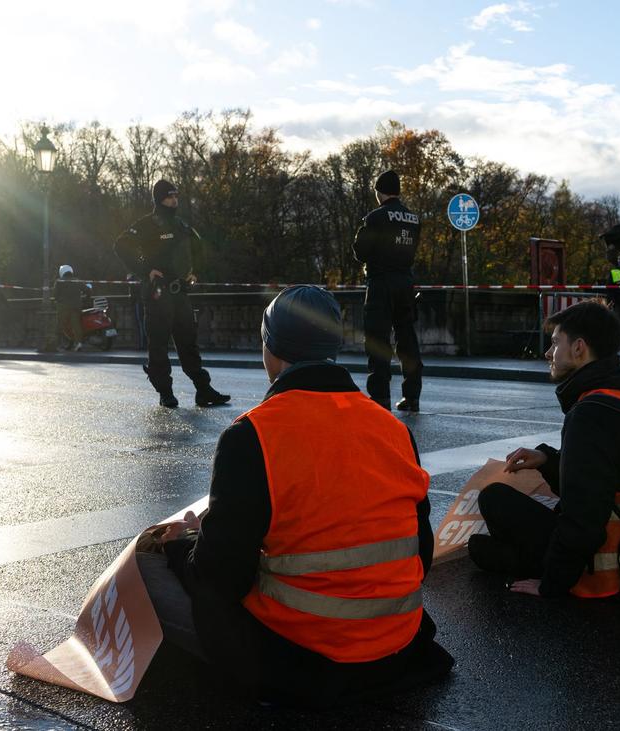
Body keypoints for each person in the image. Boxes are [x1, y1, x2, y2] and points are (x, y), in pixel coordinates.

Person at [137, 285, 452, 706]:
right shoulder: (393, 430)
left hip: (304, 662)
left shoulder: (252, 435)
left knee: (145, 565)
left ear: (271, 349)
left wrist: (184, 543)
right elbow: (420, 551)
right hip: (400, 647)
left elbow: (220, 579)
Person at [468, 299, 620, 598]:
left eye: (555, 344)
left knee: (491, 509)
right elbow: (608, 472)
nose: (548, 353)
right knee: (491, 538)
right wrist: (547, 459)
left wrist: (553, 584)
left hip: (612, 560)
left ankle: (528, 562)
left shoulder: (590, 412)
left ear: (579, 348)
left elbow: (584, 516)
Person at [114, 179, 230, 409]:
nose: (174, 201)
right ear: (159, 199)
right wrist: (145, 270)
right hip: (158, 294)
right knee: (158, 344)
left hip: (179, 293)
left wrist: (195, 272)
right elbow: (120, 245)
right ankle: (165, 392)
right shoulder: (146, 225)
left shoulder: (180, 225)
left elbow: (200, 247)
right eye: (169, 197)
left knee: (189, 342)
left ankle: (203, 389)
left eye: (176, 196)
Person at [352, 170, 423, 411]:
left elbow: (359, 251)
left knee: (377, 340)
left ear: (379, 192)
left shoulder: (376, 217)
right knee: (407, 339)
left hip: (380, 283)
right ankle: (412, 397)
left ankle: (380, 398)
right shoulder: (413, 219)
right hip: (405, 282)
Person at [54, 265, 86, 351]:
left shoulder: (59, 281)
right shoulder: (77, 281)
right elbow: (88, 290)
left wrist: (58, 300)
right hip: (76, 307)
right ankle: (79, 343)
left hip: (63, 308)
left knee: (62, 325)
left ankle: (60, 343)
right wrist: (86, 298)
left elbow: (55, 295)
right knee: (76, 325)